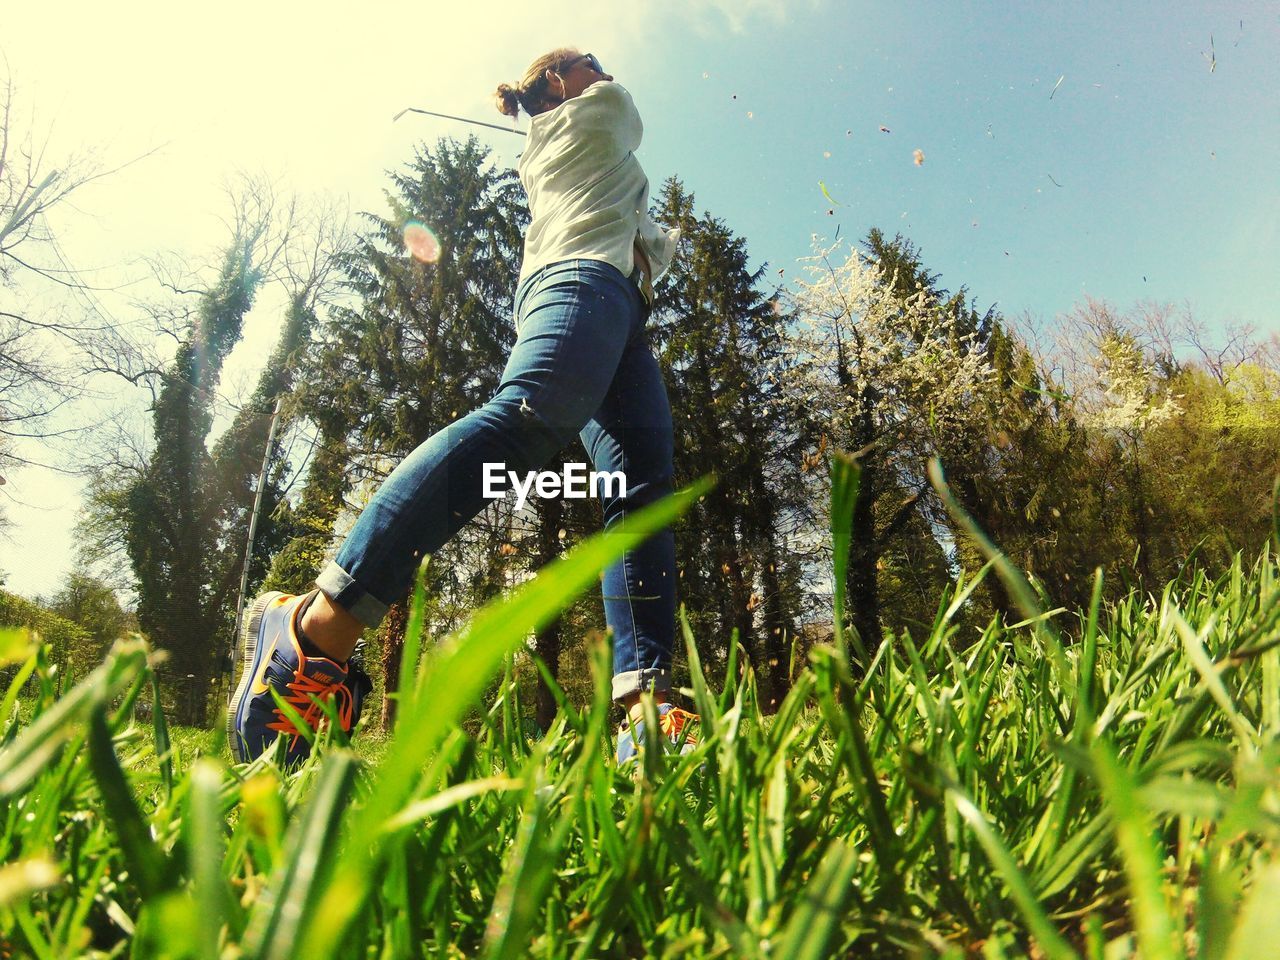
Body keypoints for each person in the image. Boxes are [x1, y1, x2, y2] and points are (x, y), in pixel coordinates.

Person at [228, 48, 698, 767]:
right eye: (588, 64)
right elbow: (627, 113)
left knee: (638, 490)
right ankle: (312, 631)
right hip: (582, 285)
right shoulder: (599, 113)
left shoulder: (572, 138)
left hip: (618, 308)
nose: (604, 73)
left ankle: (646, 712)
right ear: (557, 83)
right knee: (531, 416)